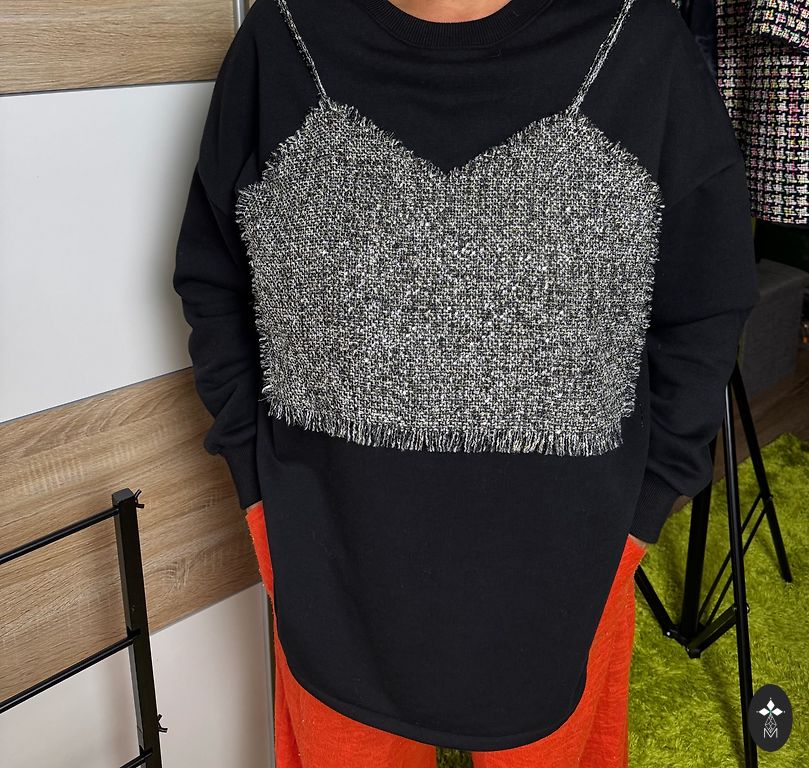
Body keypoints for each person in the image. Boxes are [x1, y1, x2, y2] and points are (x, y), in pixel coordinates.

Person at [173, 0, 761, 764]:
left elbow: (704, 301)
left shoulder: (639, 43)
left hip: (567, 579)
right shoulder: (283, 36)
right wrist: (256, 486)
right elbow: (213, 274)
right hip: (331, 572)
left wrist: (643, 510)